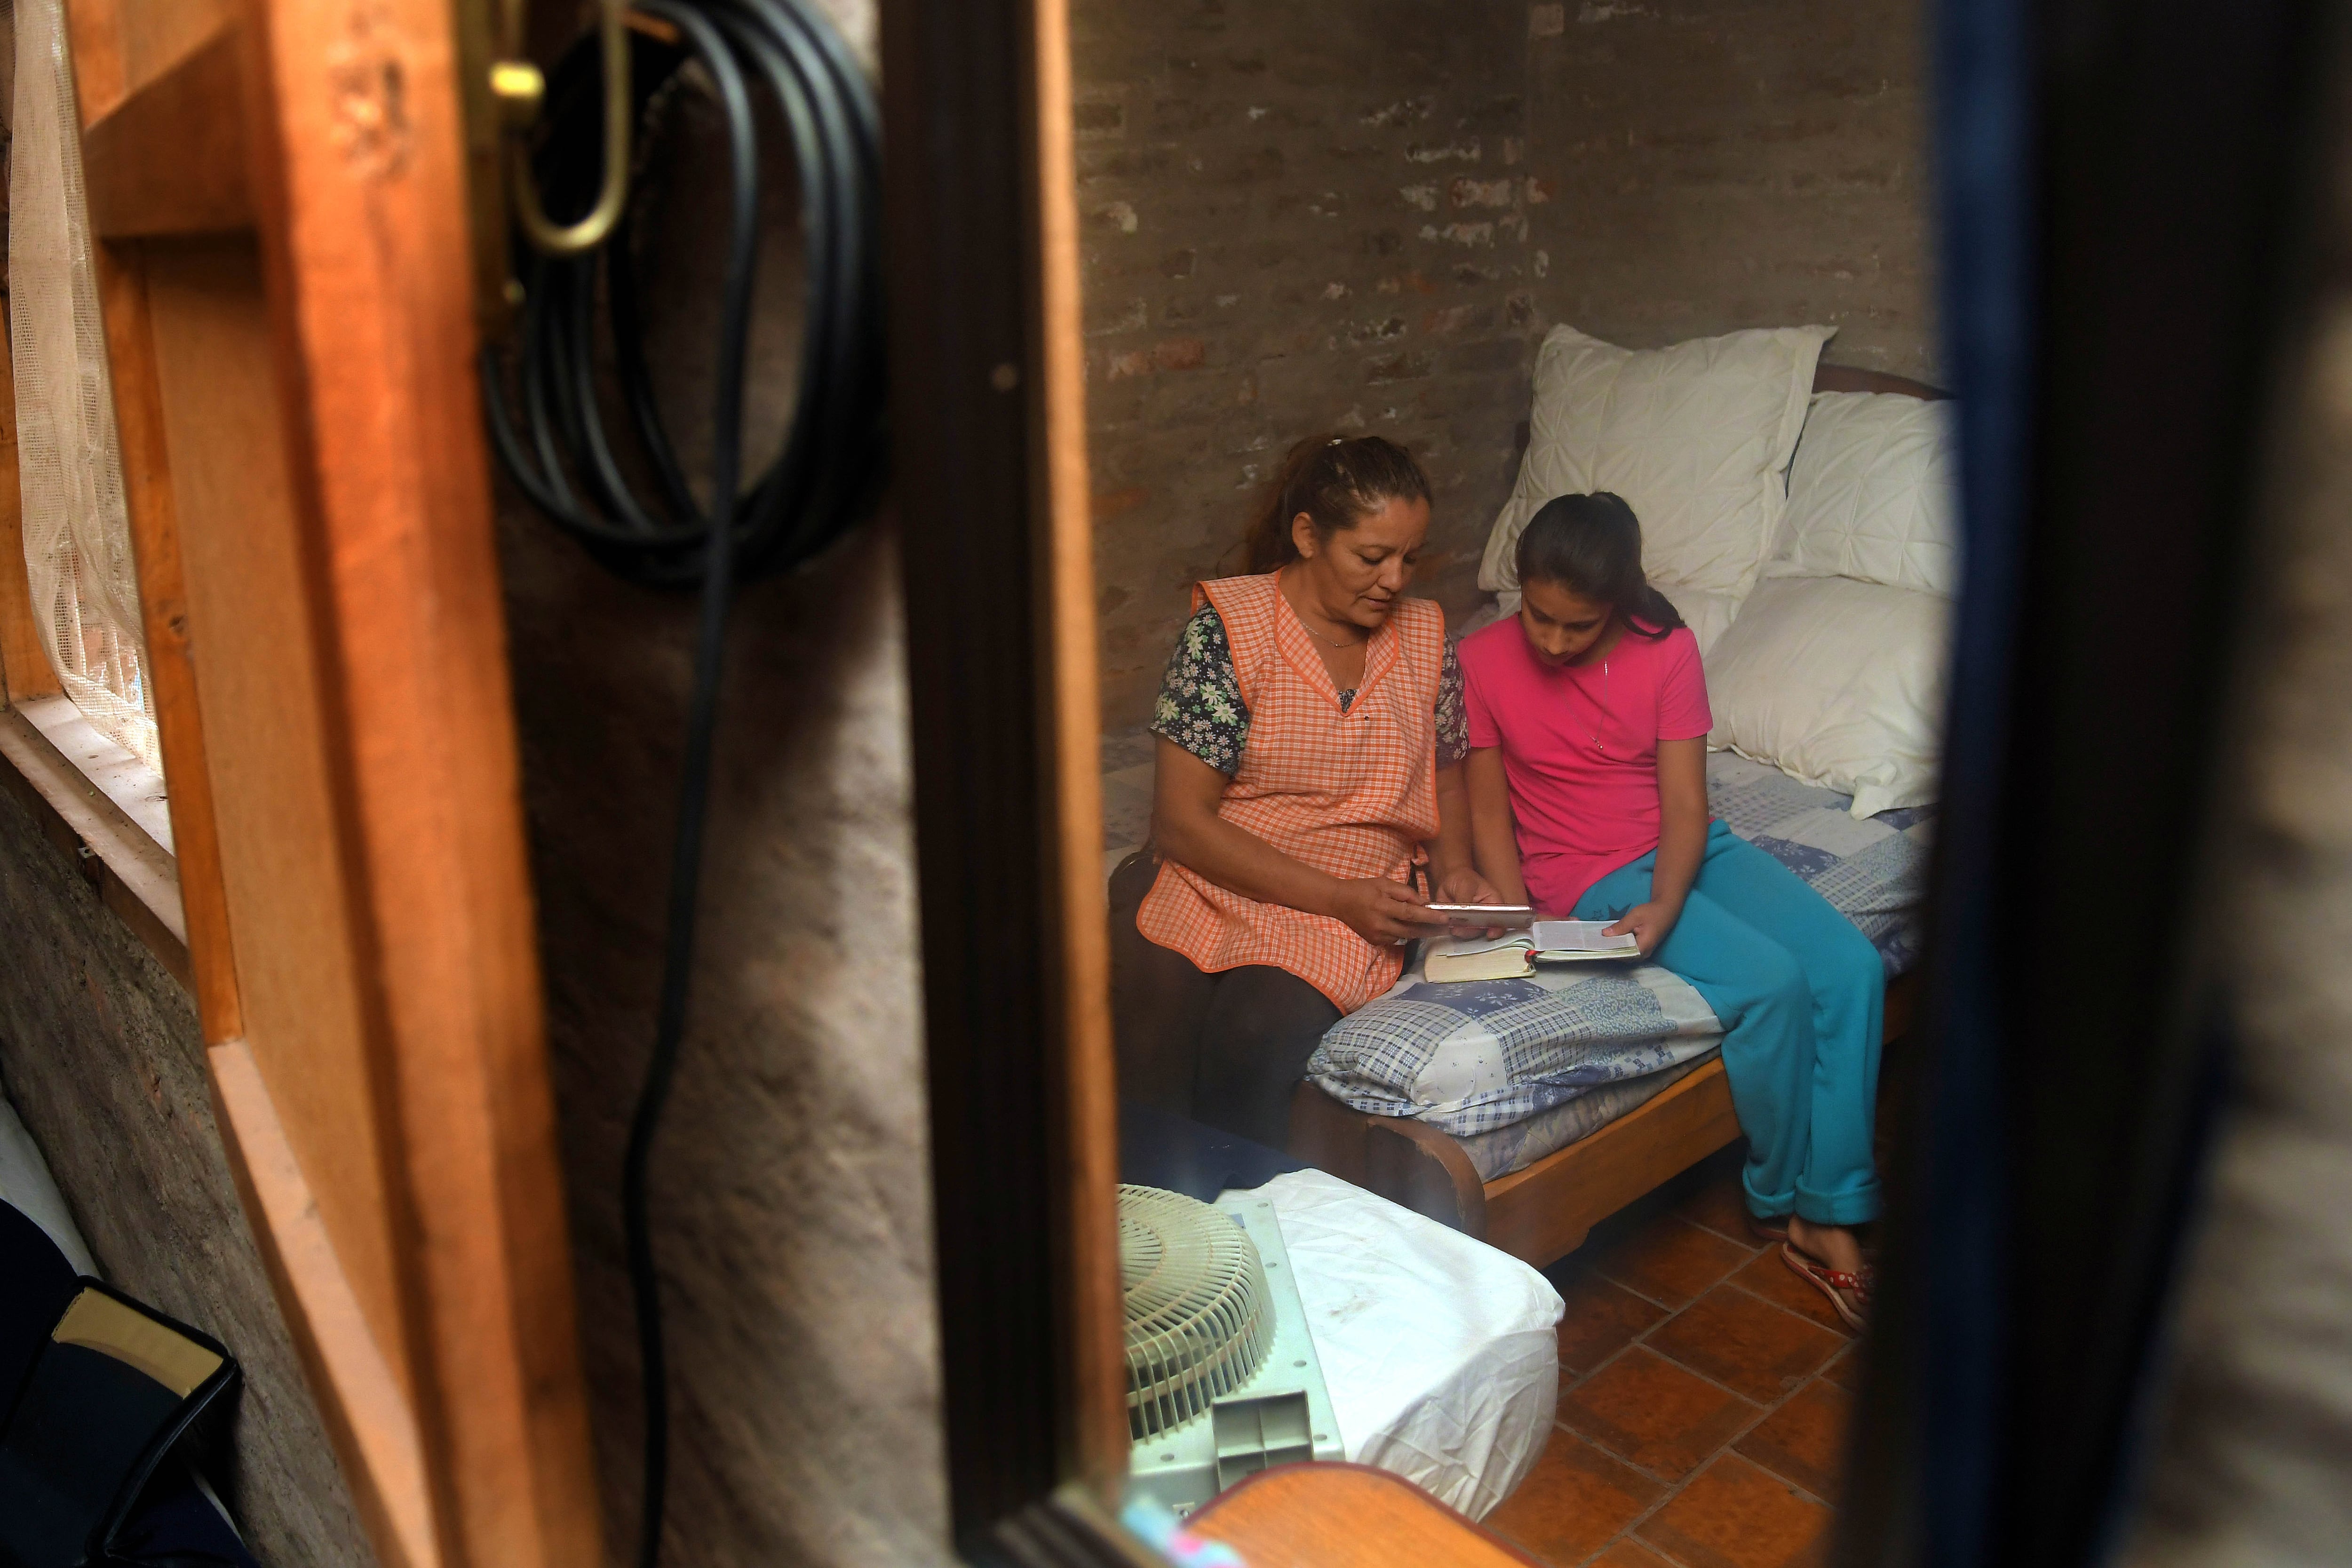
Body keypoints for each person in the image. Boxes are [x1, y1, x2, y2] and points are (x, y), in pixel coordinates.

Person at [1458, 493, 1884, 1329]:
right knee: (1768, 982)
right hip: (1583, 868)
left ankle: (1827, 1206)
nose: (1551, 641)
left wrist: (1667, 900)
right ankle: (1780, 1201)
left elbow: (1687, 803)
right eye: (1539, 616)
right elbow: (1485, 806)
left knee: (1853, 968)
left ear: (1618, 602)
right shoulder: (1480, 658)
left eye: (1576, 627)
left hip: (1687, 848)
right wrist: (1516, 913)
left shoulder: (1669, 650)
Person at [1112, 433, 1502, 1149]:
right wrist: (1334, 895)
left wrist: (1454, 871)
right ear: (1308, 536)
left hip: (1351, 898)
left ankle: (1249, 1230)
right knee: (1152, 1019)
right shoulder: (1229, 632)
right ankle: (1150, 1228)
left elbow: (1444, 770)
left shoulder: (1425, 636)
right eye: (1372, 556)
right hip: (1221, 871)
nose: (1394, 580)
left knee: (1253, 1033)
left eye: (1408, 558)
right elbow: (1181, 825)